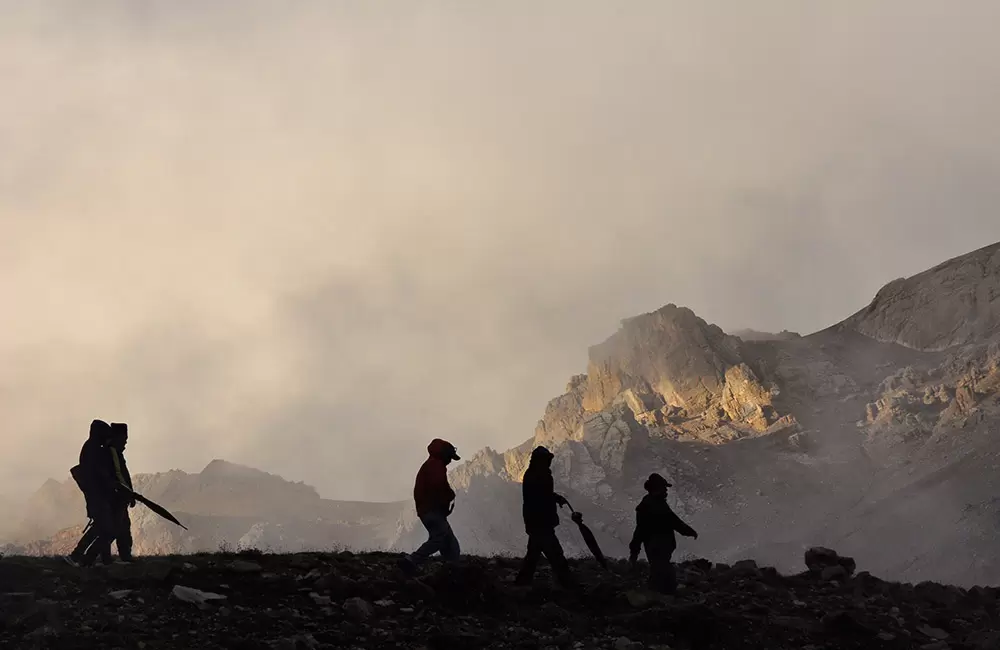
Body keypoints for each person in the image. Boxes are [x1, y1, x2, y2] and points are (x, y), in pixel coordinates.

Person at [399, 439, 461, 575]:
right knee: (439, 538)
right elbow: (438, 488)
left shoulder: (431, 465)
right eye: (450, 457)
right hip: (432, 511)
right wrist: (448, 497)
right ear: (445, 455)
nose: (450, 461)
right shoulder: (436, 466)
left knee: (449, 542)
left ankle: (452, 569)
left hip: (428, 510)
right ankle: (412, 560)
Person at [628, 472, 698, 594]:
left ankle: (658, 594)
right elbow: (674, 521)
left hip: (655, 546)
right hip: (658, 546)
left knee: (659, 570)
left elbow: (639, 531)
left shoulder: (650, 504)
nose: (666, 491)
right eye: (664, 488)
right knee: (662, 572)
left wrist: (634, 550)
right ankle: (661, 596)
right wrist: (689, 531)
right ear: (657, 488)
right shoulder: (654, 505)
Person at [515, 446, 574, 587]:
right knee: (555, 553)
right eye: (547, 459)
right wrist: (555, 499)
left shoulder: (535, 474)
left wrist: (556, 498)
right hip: (541, 523)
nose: (549, 462)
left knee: (533, 555)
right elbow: (540, 497)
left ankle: (522, 583)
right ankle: (567, 583)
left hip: (537, 522)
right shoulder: (538, 475)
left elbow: (542, 494)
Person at [82, 422, 135, 566]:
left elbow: (123, 475)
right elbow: (114, 476)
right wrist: (122, 491)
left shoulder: (113, 453)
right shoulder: (106, 453)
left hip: (118, 496)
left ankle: (122, 556)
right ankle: (90, 557)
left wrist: (129, 492)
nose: (125, 443)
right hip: (113, 497)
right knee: (110, 529)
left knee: (122, 527)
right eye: (123, 440)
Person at [65, 419, 112, 566]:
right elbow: (99, 473)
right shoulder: (94, 449)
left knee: (102, 526)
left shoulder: (91, 447)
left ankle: (100, 559)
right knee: (102, 526)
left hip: (94, 494)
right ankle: (77, 556)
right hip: (96, 494)